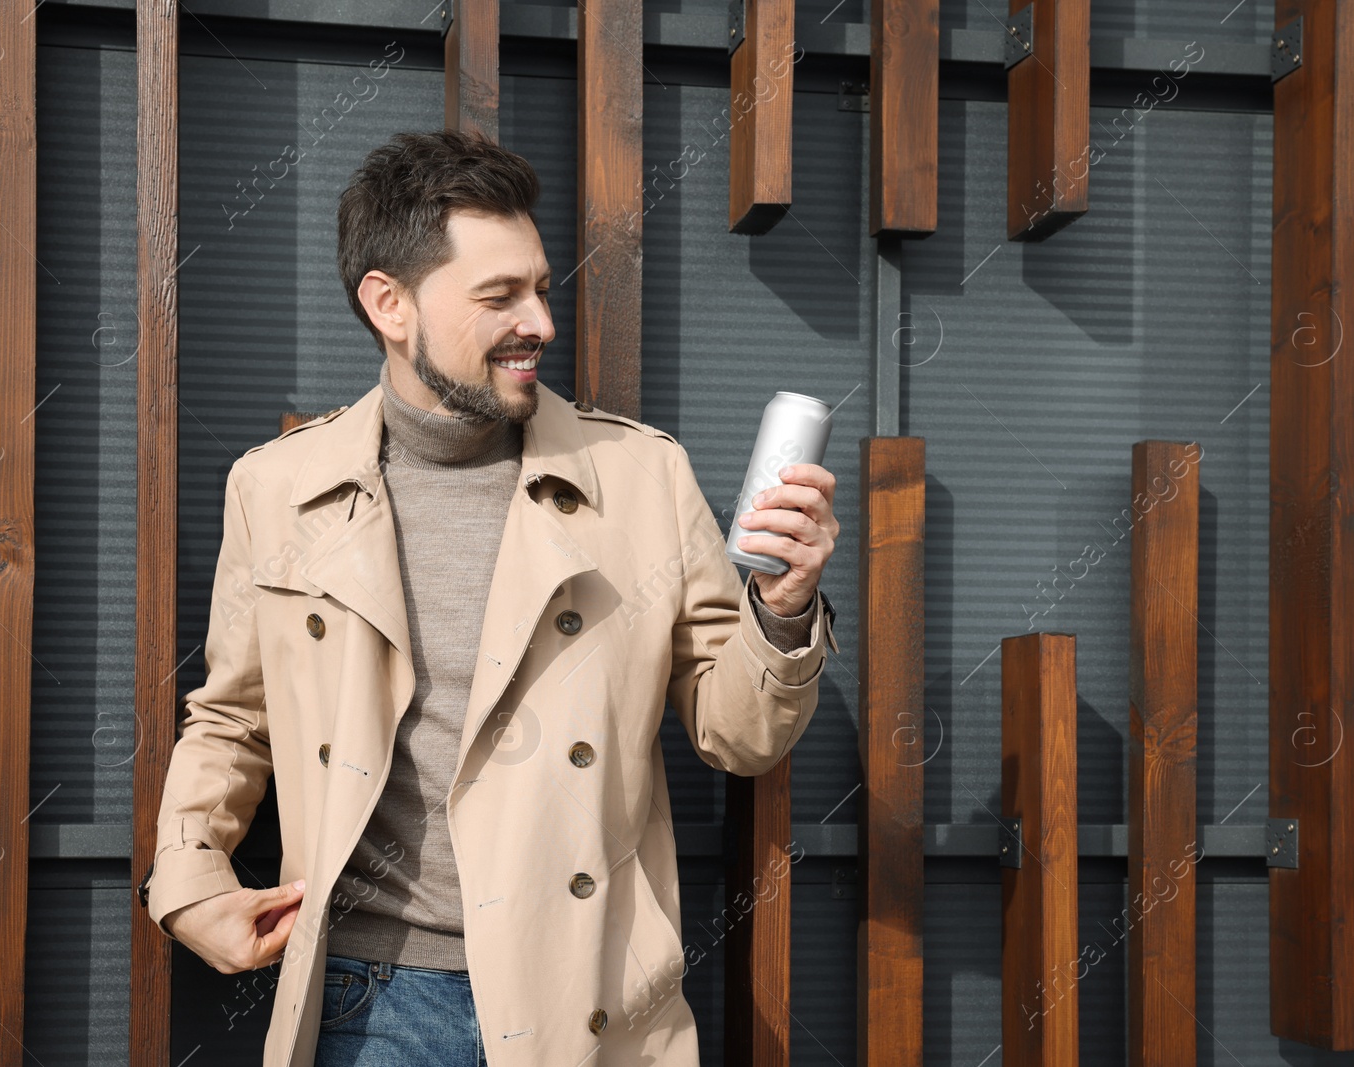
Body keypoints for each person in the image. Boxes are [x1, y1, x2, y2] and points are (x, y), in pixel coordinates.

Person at [140, 128, 840, 1067]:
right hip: (369, 998)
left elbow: (737, 731)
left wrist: (783, 609)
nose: (540, 323)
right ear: (389, 303)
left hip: (586, 994)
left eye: (541, 287)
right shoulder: (276, 488)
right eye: (498, 295)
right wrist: (189, 879)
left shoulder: (641, 475)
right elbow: (233, 719)